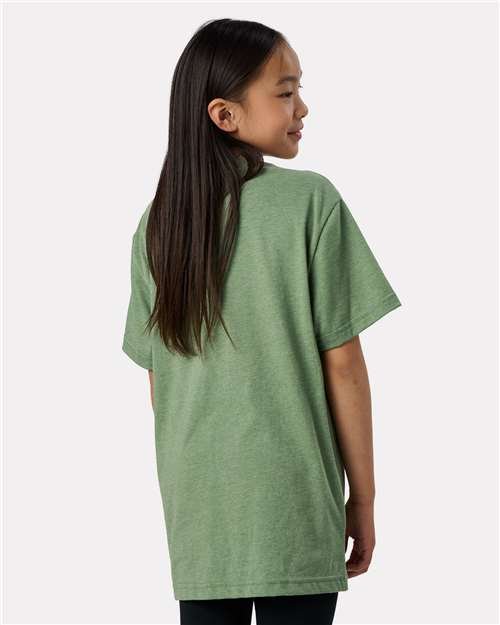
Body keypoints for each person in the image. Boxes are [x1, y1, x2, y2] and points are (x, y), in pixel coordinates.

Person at [122, 18, 402, 625]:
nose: (302, 107)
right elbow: (345, 367)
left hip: (200, 516)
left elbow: (160, 383)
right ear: (224, 115)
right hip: (295, 503)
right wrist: (363, 498)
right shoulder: (310, 202)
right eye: (285, 91)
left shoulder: (158, 225)